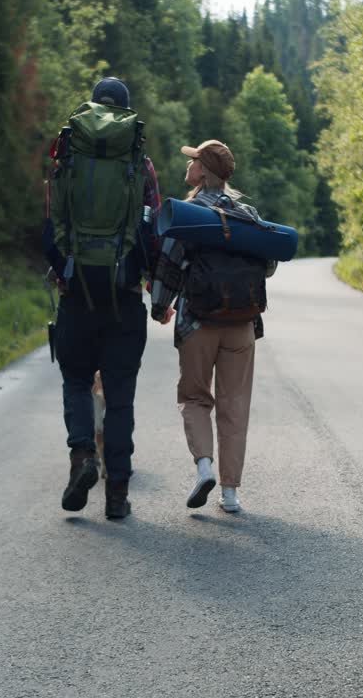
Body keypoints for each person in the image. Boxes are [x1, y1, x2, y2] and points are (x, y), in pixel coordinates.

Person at [43, 77, 161, 520]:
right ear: (127, 112)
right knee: (121, 396)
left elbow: (54, 218)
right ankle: (117, 495)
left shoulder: (68, 153)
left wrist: (62, 269)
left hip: (76, 291)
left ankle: (81, 458)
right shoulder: (139, 162)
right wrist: (152, 282)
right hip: (123, 293)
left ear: (92, 107)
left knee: (75, 379)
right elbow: (152, 231)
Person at [149, 140, 275, 513]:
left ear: (203, 171)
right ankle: (230, 493)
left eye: (193, 162)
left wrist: (160, 307)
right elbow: (267, 266)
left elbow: (169, 264)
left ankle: (204, 466)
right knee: (234, 406)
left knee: (194, 398)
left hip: (197, 322)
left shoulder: (187, 214)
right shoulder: (247, 213)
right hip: (241, 324)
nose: (188, 166)